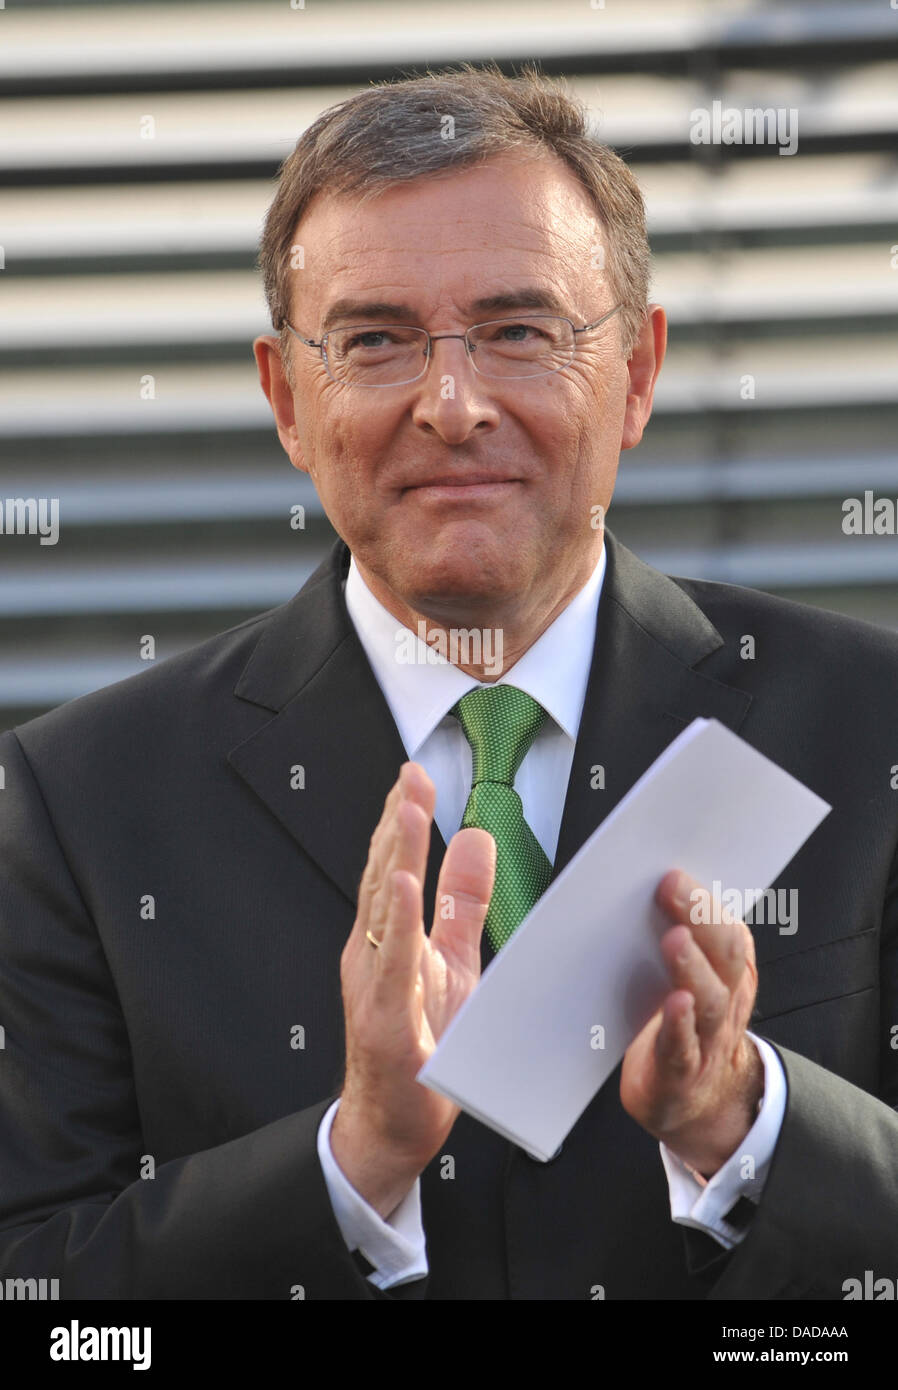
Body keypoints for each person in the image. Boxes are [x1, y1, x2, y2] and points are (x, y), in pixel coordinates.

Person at [1, 65, 896, 1301]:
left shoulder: (864, 723)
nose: (453, 404)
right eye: (375, 340)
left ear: (636, 374)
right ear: (285, 401)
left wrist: (744, 1123)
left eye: (521, 330)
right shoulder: (79, 801)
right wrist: (351, 1159)